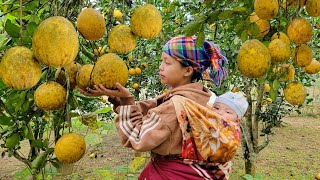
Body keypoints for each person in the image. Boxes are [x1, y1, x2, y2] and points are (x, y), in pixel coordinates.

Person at [80, 36, 231, 179]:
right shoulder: (198, 97)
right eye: (161, 61)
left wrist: (125, 101)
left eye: (167, 62)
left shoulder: (175, 105)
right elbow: (152, 108)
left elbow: (138, 138)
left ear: (187, 70)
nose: (161, 67)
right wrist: (120, 100)